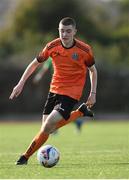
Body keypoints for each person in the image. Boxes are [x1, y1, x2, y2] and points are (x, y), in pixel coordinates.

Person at [9, 17, 97, 165]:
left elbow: (93, 71)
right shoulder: (52, 46)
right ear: (59, 31)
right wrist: (20, 83)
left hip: (72, 92)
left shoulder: (84, 50)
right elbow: (34, 63)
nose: (65, 34)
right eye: (62, 31)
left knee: (48, 125)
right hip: (54, 89)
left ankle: (24, 157)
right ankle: (80, 112)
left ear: (74, 32)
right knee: (47, 129)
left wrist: (92, 93)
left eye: (68, 31)